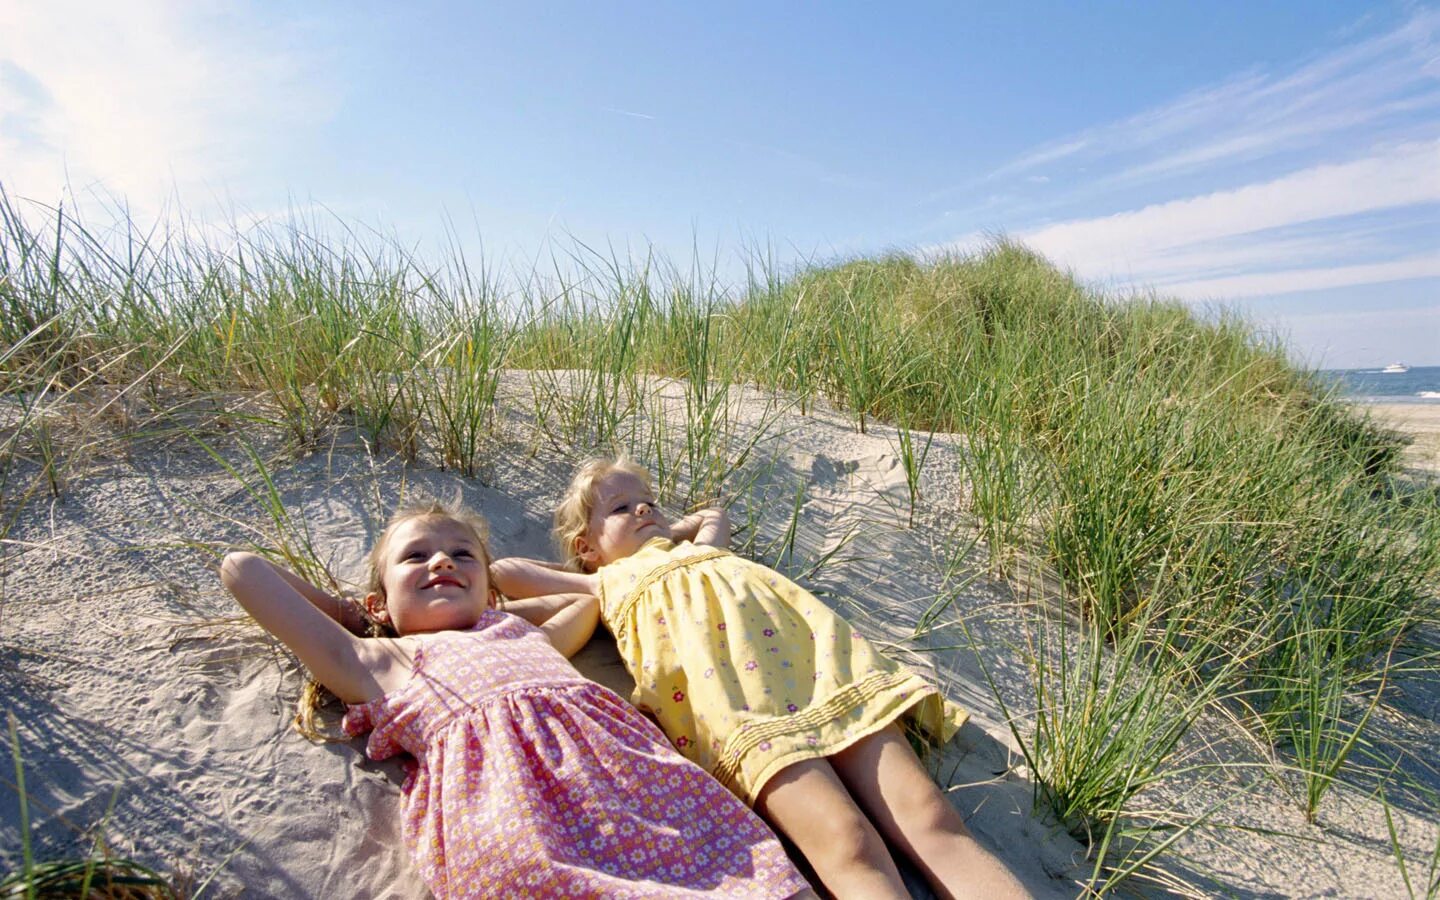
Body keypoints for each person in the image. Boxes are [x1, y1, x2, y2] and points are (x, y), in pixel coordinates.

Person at [490, 459, 1030, 900]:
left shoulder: (700, 550)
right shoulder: (604, 582)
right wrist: (605, 557)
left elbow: (711, 515)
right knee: (846, 843)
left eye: (648, 499)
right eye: (621, 507)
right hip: (734, 704)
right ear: (585, 546)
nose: (643, 508)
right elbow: (507, 571)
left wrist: (664, 530)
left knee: (931, 817)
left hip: (822, 670)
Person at [221, 499, 812, 900]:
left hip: (633, 780)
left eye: (462, 555)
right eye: (415, 557)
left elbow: (580, 607)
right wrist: (359, 618)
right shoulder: (376, 661)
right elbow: (242, 569)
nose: (442, 560)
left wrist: (494, 613)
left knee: (740, 866)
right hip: (516, 811)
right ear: (378, 604)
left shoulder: (521, 633)